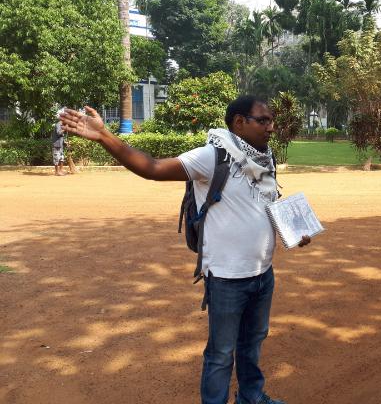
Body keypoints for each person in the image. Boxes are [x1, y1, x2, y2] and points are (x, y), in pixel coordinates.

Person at [60, 95, 310, 404]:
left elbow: (264, 204)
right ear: (239, 122)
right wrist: (104, 136)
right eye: (263, 120)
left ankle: (251, 396)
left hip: (262, 273)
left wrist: (293, 230)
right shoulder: (212, 156)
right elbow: (152, 167)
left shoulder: (264, 158)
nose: (271, 127)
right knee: (221, 353)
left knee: (253, 343)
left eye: (272, 121)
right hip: (227, 278)